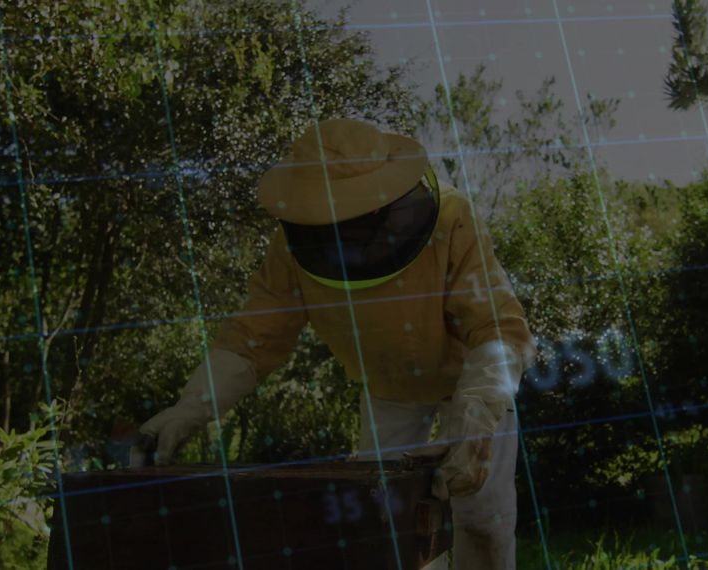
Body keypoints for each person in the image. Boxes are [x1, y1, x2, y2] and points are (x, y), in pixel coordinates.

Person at [135, 117, 536, 569]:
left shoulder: (452, 217)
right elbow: (253, 337)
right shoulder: (293, 244)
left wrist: (478, 417)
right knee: (382, 519)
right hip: (388, 392)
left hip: (472, 387)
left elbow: (498, 328)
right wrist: (191, 406)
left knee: (482, 515)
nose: (346, 236)